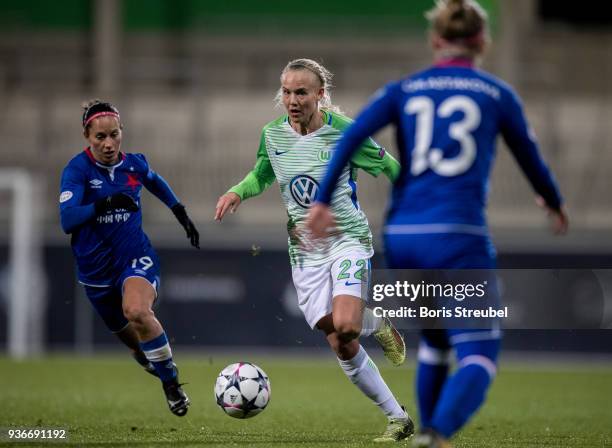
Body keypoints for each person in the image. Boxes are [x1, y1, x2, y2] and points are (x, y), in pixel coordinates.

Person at [307, 1, 569, 447]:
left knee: (436, 343)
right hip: (458, 236)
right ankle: (438, 433)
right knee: (480, 352)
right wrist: (554, 201)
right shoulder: (495, 94)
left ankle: (429, 432)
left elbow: (349, 136)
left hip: (404, 237)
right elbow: (531, 158)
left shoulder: (403, 89)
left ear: (435, 41)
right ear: (483, 42)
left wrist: (321, 200)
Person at [215, 58, 414, 442]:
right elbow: (262, 174)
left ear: (320, 95)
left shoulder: (347, 135)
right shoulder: (272, 135)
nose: (292, 100)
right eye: (287, 92)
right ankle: (398, 417)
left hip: (347, 240)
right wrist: (238, 191)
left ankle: (374, 324)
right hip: (304, 250)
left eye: (301, 92)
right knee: (339, 340)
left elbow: (392, 168)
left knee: (347, 325)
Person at [59, 100, 200, 417]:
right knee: (137, 347)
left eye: (114, 135)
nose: (108, 144)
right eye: (100, 137)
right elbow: (67, 220)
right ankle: (154, 363)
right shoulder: (77, 170)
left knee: (136, 310)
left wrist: (180, 212)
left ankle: (172, 384)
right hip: (96, 273)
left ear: (121, 132)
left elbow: (154, 181)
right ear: (87, 136)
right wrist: (105, 204)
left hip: (135, 257)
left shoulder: (133, 165)